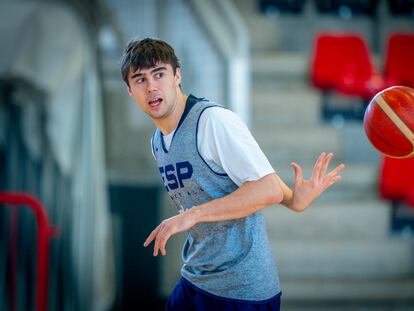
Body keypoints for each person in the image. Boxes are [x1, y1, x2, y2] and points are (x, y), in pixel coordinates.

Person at [120, 37, 345, 311]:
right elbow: (263, 183)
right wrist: (293, 200)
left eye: (159, 74)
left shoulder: (212, 122)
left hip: (241, 291)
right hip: (196, 278)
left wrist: (192, 215)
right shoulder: (158, 141)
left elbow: (266, 188)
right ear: (130, 90)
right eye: (140, 80)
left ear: (177, 75)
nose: (152, 86)